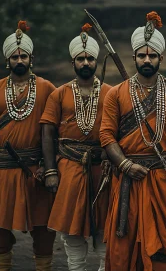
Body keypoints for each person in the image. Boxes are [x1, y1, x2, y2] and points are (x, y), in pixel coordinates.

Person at [99, 11, 166, 271]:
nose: (146, 59)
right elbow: (106, 136)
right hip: (129, 181)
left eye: (152, 55)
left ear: (160, 58)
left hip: (165, 182)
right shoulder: (116, 94)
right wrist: (124, 165)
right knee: (125, 249)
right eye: (142, 55)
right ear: (134, 58)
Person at [0, 21, 57, 271]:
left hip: (36, 171)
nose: (19, 60)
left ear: (31, 58)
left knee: (43, 230)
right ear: (7, 60)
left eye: (23, 55)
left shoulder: (47, 89)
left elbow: (55, 133)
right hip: (2, 170)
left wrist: (50, 168)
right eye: (14, 56)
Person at [40, 23, 113, 271]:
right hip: (69, 169)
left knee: (105, 228)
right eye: (80, 59)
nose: (85, 63)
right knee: (72, 230)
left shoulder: (111, 93)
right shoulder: (58, 94)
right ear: (73, 62)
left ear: (96, 61)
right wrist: (50, 171)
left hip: (102, 170)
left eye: (90, 58)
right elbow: (48, 133)